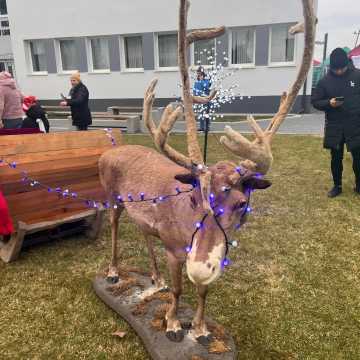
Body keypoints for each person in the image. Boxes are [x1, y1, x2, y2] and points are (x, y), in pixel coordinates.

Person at [312, 48, 360, 197]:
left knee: (358, 156)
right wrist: (329, 103)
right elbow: (315, 101)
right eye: (336, 69)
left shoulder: (357, 76)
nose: (339, 71)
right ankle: (337, 186)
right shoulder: (325, 81)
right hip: (335, 125)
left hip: (355, 124)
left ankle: (359, 185)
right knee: (336, 158)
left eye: (342, 68)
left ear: (347, 64)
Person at [193, 66, 212, 131]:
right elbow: (195, 89)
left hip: (206, 99)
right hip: (199, 100)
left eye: (199, 73)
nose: (198, 74)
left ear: (202, 73)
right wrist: (194, 97)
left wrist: (202, 80)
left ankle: (207, 127)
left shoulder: (207, 80)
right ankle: (201, 127)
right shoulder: (197, 81)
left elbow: (207, 88)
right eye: (197, 73)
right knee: (200, 114)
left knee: (206, 114)